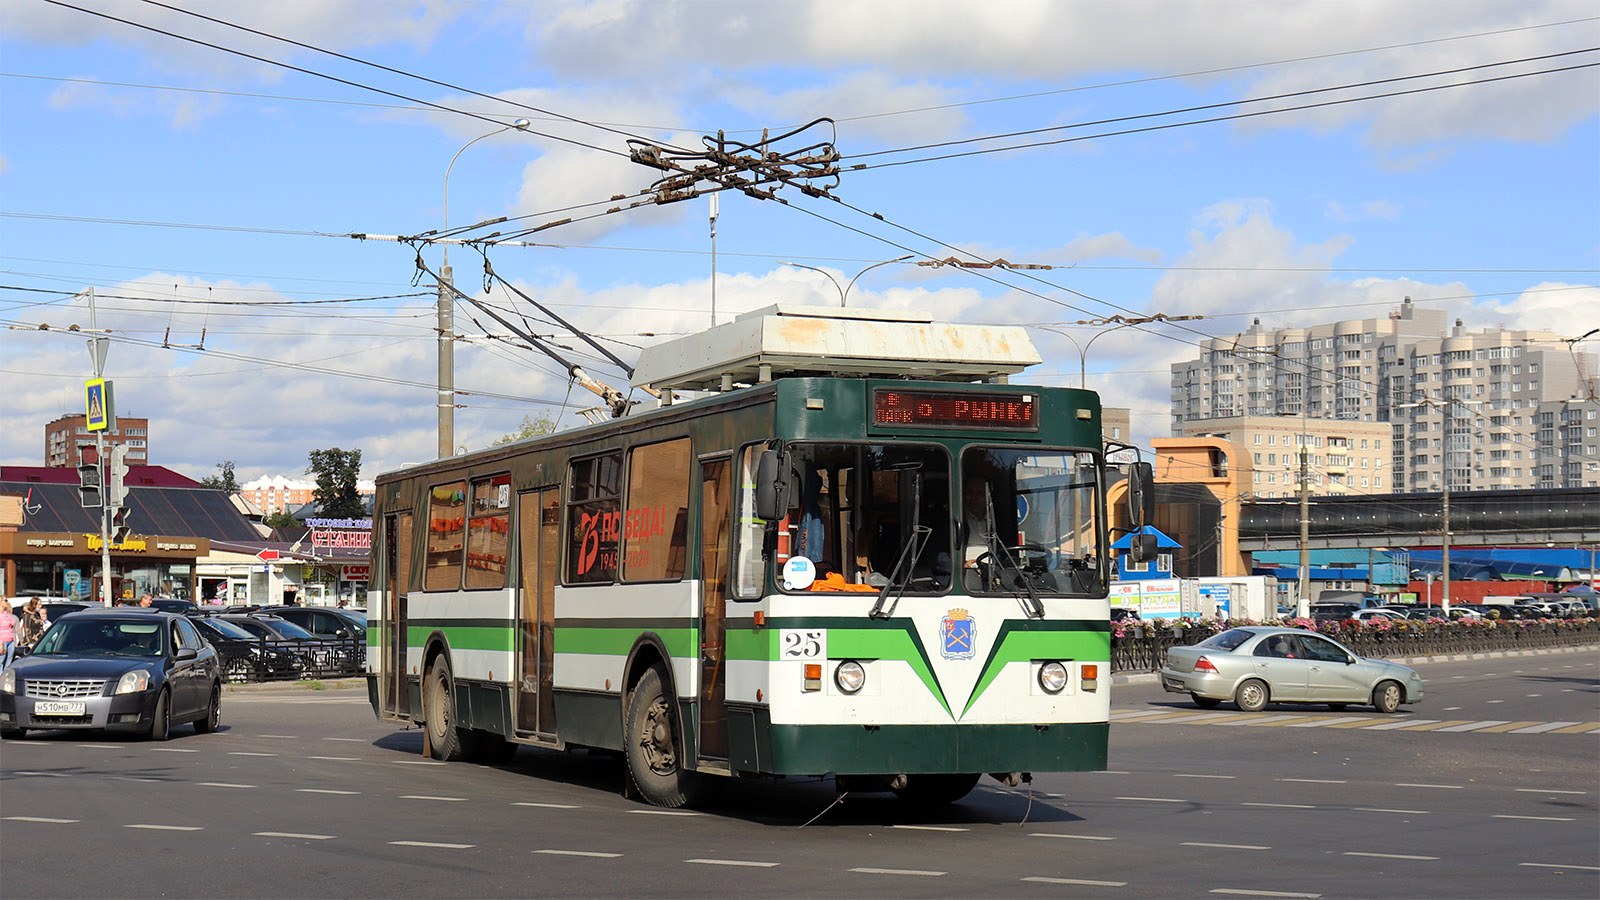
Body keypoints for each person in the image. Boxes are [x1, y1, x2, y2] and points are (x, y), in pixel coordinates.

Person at [1, 603, 18, 668]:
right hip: (3, 640)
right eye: (5, 600)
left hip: (10, 639)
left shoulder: (7, 615)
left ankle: (5, 676)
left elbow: (12, 623)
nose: (6, 602)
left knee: (9, 661)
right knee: (1, 661)